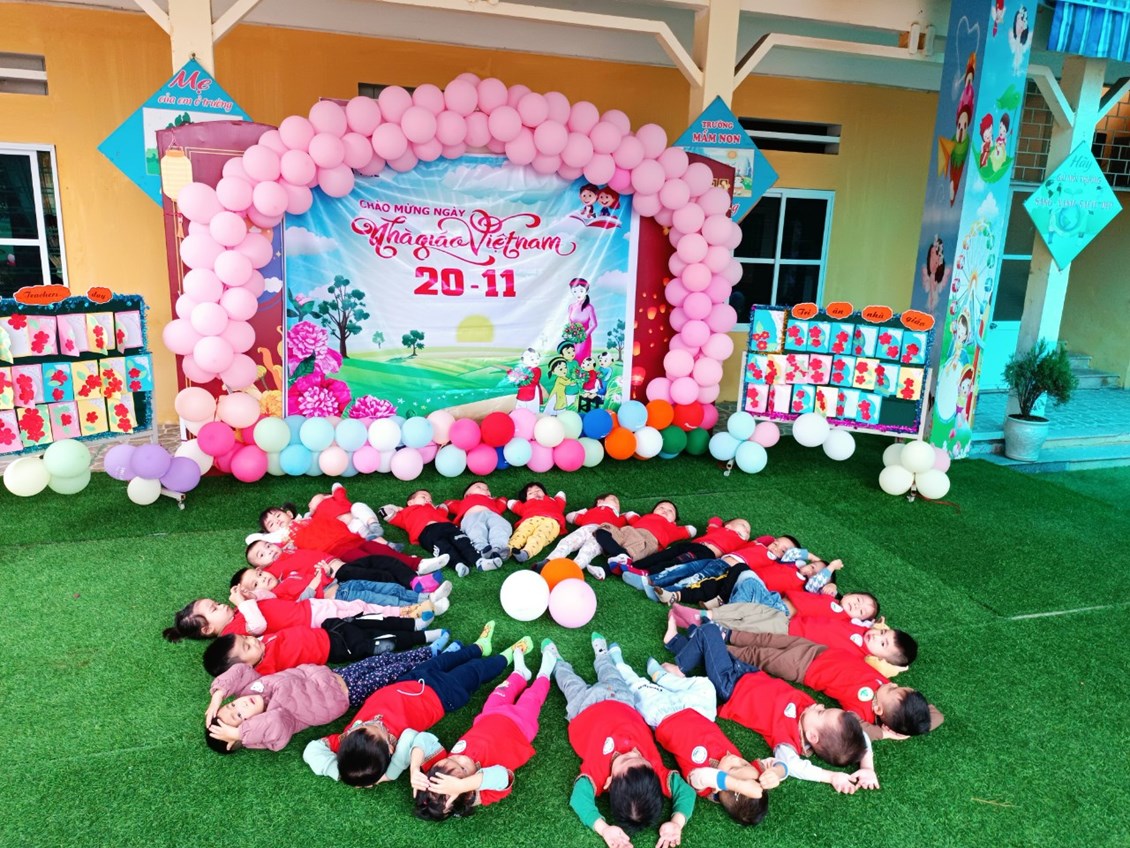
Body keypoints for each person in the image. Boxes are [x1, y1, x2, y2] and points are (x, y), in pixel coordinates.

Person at [303, 621, 531, 786]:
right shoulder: (401, 747)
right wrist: (388, 775)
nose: (371, 723)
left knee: (448, 659)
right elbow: (410, 741)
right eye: (377, 729)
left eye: (360, 727)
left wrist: (341, 772)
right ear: (390, 748)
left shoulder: (348, 741)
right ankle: (507, 656)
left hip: (411, 680)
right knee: (475, 671)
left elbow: (311, 751)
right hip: (442, 694)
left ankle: (480, 647)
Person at [664, 619, 876, 794]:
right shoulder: (811, 714)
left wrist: (831, 777)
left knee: (710, 631)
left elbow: (794, 766)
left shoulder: (788, 740)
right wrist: (867, 766)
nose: (818, 704)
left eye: (821, 711)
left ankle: (680, 668)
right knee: (710, 650)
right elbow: (860, 733)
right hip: (747, 672)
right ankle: (680, 641)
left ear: (813, 736)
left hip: (730, 686)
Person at [609, 652, 785, 827]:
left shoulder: (704, 785)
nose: (735, 760)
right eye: (744, 763)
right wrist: (776, 773)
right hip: (698, 711)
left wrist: (737, 785)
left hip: (664, 715)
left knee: (639, 690)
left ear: (720, 786)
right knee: (706, 686)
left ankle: (619, 665)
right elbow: (778, 764)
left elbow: (705, 777)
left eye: (733, 769)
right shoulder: (753, 774)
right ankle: (662, 677)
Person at [554, 633, 697, 846]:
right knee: (609, 671)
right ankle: (601, 654)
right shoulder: (654, 772)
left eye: (626, 760)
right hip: (619, 697)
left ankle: (556, 661)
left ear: (609, 783)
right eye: (639, 758)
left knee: (568, 682)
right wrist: (677, 822)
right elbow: (686, 792)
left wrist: (603, 829)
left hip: (582, 705)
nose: (632, 752)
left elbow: (579, 799)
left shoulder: (598, 775)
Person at [413, 641, 557, 819]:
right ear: (468, 793)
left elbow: (423, 738)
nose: (460, 758)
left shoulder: (443, 765)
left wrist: (415, 769)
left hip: (489, 715)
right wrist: (462, 786)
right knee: (532, 697)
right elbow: (502, 776)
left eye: (452, 759)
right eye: (463, 769)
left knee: (502, 690)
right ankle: (544, 674)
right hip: (520, 726)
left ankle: (520, 673)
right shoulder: (484, 790)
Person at [203, 647, 434, 753]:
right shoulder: (275, 719)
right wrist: (239, 734)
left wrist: (218, 695)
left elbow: (241, 670)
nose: (241, 704)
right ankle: (433, 661)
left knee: (383, 660)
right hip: (347, 693)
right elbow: (274, 724)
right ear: (248, 727)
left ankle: (428, 651)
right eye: (239, 716)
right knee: (392, 673)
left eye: (232, 704)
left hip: (335, 675)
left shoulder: (251, 690)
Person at [723, 631, 942, 739]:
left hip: (803, 667)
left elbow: (858, 729)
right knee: (770, 639)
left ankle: (720, 648)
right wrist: (911, 724)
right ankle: (730, 633)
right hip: (819, 649)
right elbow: (936, 716)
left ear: (878, 709)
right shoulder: (884, 687)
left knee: (760, 656)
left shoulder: (862, 711)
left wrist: (886, 734)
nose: (892, 684)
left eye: (893, 689)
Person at [256, 486, 447, 575]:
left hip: (350, 537)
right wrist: (271, 536)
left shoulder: (307, 517)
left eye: (277, 515)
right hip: (336, 550)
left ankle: (418, 564)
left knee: (381, 550)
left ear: (288, 513)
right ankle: (411, 570)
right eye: (271, 524)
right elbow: (255, 540)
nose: (277, 521)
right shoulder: (283, 538)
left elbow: (327, 507)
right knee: (374, 561)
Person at [202, 619, 443, 678]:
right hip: (338, 648)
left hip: (330, 629)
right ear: (244, 667)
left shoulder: (262, 642)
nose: (252, 640)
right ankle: (423, 637)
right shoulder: (265, 670)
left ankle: (415, 624)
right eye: (247, 646)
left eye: (246, 637)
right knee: (379, 642)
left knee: (372, 623)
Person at [163, 593, 435, 642]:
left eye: (216, 603)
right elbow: (258, 626)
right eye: (214, 609)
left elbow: (271, 602)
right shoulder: (229, 634)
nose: (222, 605)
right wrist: (244, 603)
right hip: (312, 620)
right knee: (362, 616)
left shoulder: (236, 614)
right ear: (208, 629)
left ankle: (406, 609)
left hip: (309, 607)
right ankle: (406, 614)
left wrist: (252, 596)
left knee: (358, 606)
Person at [231, 561, 452, 615]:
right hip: (342, 596)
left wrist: (325, 571)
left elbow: (321, 577)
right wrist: (314, 583)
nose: (263, 578)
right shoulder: (278, 595)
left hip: (344, 584)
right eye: (256, 584)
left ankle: (426, 595)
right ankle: (427, 607)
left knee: (389, 588)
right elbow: (300, 603)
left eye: (259, 574)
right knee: (386, 601)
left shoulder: (289, 576)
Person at [245, 542, 443, 596]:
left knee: (382, 560)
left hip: (343, 564)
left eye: (268, 546)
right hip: (337, 575)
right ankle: (414, 592)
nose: (269, 551)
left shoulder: (288, 549)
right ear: (260, 568)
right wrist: (324, 574)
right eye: (262, 554)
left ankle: (415, 580)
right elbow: (298, 581)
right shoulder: (276, 571)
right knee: (379, 576)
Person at [381, 490, 483, 577]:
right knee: (442, 548)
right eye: (423, 497)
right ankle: (458, 565)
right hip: (426, 532)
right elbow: (385, 512)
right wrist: (399, 508)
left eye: (430, 499)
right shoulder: (405, 513)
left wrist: (436, 506)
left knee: (463, 541)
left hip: (447, 526)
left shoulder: (434, 510)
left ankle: (478, 560)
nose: (428, 500)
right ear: (410, 502)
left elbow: (444, 507)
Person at [538, 493, 633, 580]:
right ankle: (549, 561)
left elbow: (633, 521)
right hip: (586, 528)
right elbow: (570, 516)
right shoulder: (590, 511)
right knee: (567, 542)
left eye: (618, 504)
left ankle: (573, 569)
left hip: (603, 534)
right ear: (600, 501)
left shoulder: (619, 518)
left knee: (587, 551)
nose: (617, 504)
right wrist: (584, 510)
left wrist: (628, 515)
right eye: (613, 499)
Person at [592, 501, 695, 575]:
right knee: (603, 530)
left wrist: (689, 530)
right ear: (653, 511)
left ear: (674, 521)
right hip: (628, 531)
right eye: (661, 508)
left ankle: (605, 570)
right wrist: (630, 515)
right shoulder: (644, 517)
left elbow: (688, 531)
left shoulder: (673, 527)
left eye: (670, 511)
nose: (665, 511)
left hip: (647, 539)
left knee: (633, 550)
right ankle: (620, 554)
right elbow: (632, 517)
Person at [627, 517, 751, 575]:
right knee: (666, 553)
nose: (747, 530)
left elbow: (752, 548)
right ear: (729, 525)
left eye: (748, 532)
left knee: (678, 562)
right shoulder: (719, 530)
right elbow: (714, 521)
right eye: (743, 525)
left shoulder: (742, 543)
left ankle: (649, 572)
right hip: (693, 545)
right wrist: (720, 523)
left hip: (706, 553)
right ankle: (636, 565)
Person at [443, 481, 513, 571]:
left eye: (487, 489)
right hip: (472, 516)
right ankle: (483, 549)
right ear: (467, 495)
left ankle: (498, 548)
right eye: (478, 487)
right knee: (476, 530)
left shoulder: (492, 501)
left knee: (501, 526)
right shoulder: (463, 502)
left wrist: (502, 500)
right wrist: (442, 506)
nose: (484, 490)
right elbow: (448, 504)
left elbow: (502, 504)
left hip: (492, 515)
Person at [507, 482, 567, 563]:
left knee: (540, 536)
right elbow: (513, 504)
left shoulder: (553, 501)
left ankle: (526, 552)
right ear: (526, 498)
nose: (535, 493)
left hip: (551, 521)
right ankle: (508, 549)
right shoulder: (525, 505)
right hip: (530, 520)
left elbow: (561, 498)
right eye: (530, 493)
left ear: (544, 493)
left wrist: (559, 497)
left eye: (538, 490)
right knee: (521, 533)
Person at [566, 278, 599, 364]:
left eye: (581, 291)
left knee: (583, 360)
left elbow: (594, 324)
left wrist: (584, 335)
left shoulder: (589, 308)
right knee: (572, 359)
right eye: (575, 291)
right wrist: (570, 334)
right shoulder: (571, 307)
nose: (578, 294)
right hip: (573, 338)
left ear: (587, 291)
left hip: (584, 339)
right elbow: (569, 322)